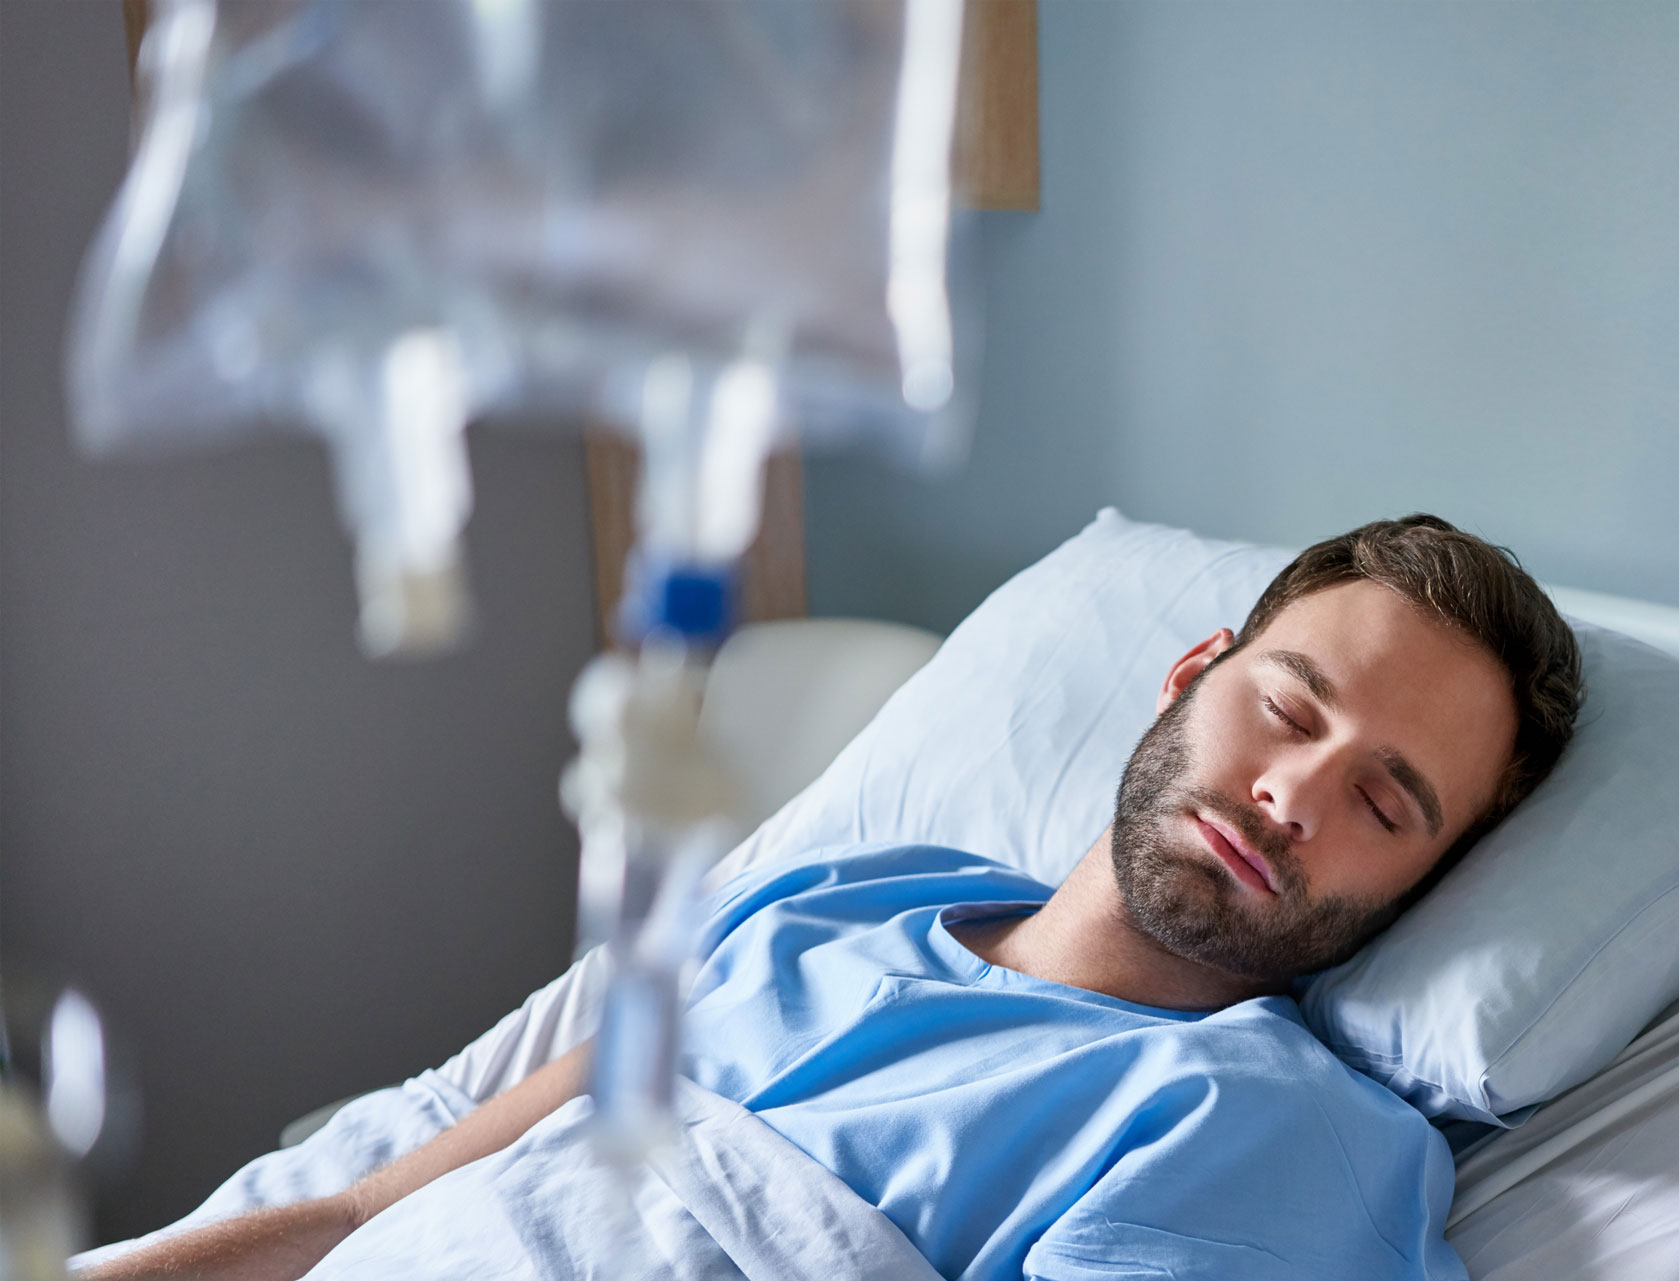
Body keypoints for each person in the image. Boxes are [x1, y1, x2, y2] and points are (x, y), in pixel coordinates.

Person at [84, 514, 1584, 1281]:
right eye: (1289, 704)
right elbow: (371, 1204)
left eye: (1386, 802)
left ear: (1420, 887)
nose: (1295, 793)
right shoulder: (837, 902)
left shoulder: (1276, 1135)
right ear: (1192, 674)